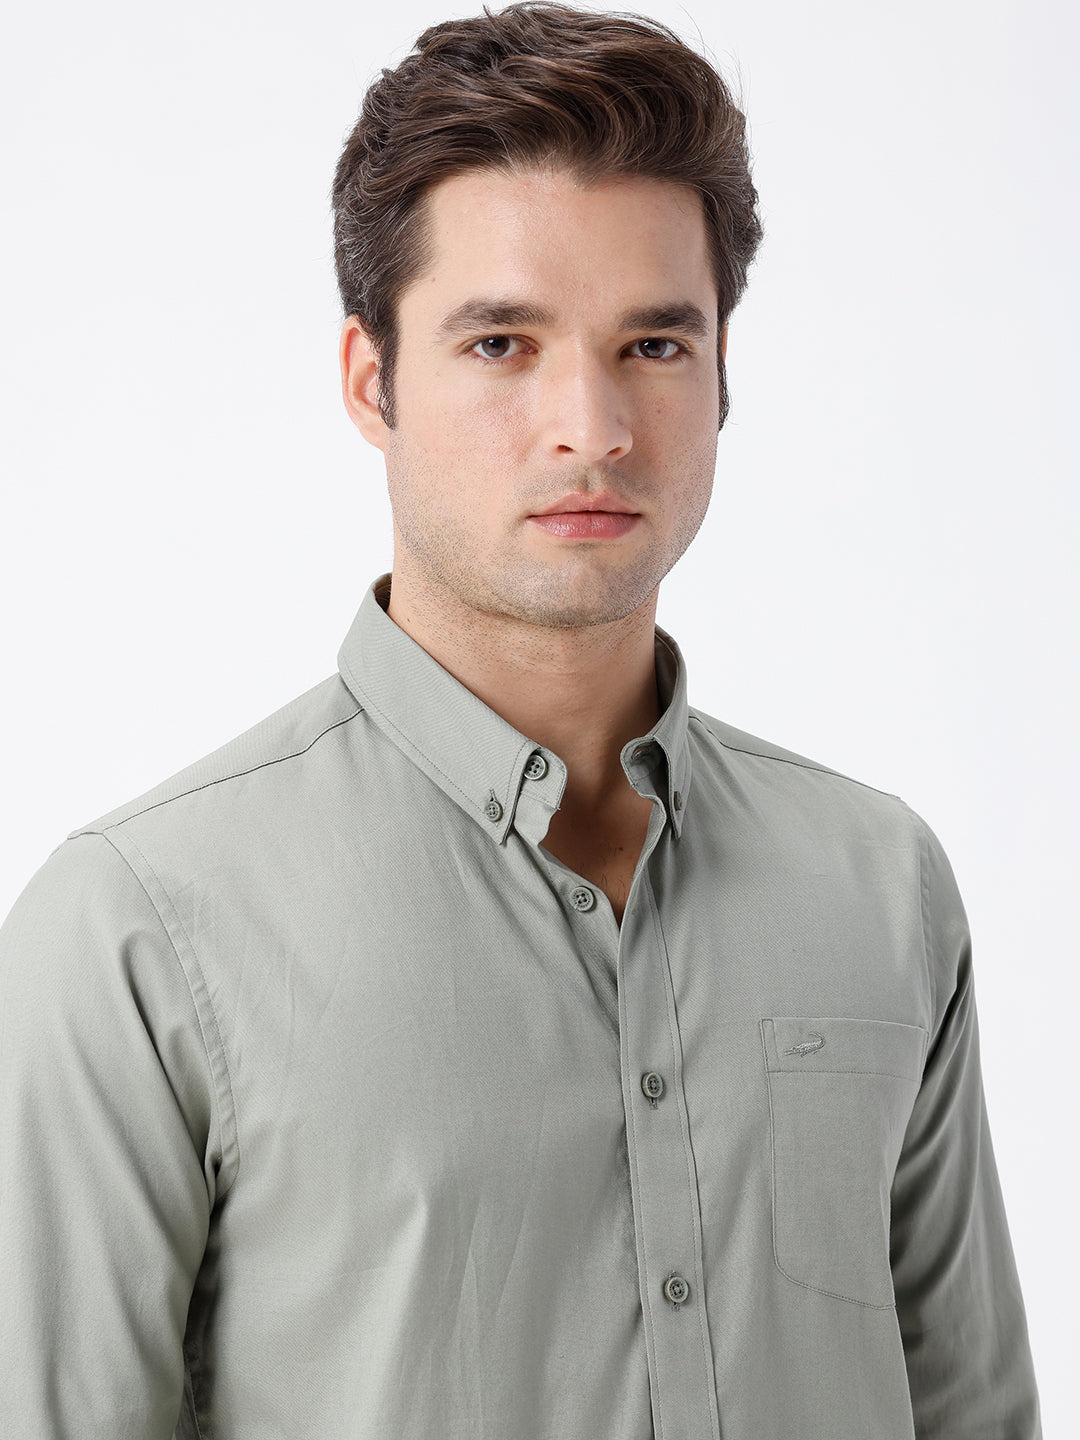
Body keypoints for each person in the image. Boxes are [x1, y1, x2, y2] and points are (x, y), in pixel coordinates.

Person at [0, 2, 1042, 1436]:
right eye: (501, 342)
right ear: (373, 382)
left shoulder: (880, 882)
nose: (592, 427)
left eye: (655, 344)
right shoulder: (137, 929)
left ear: (723, 375)